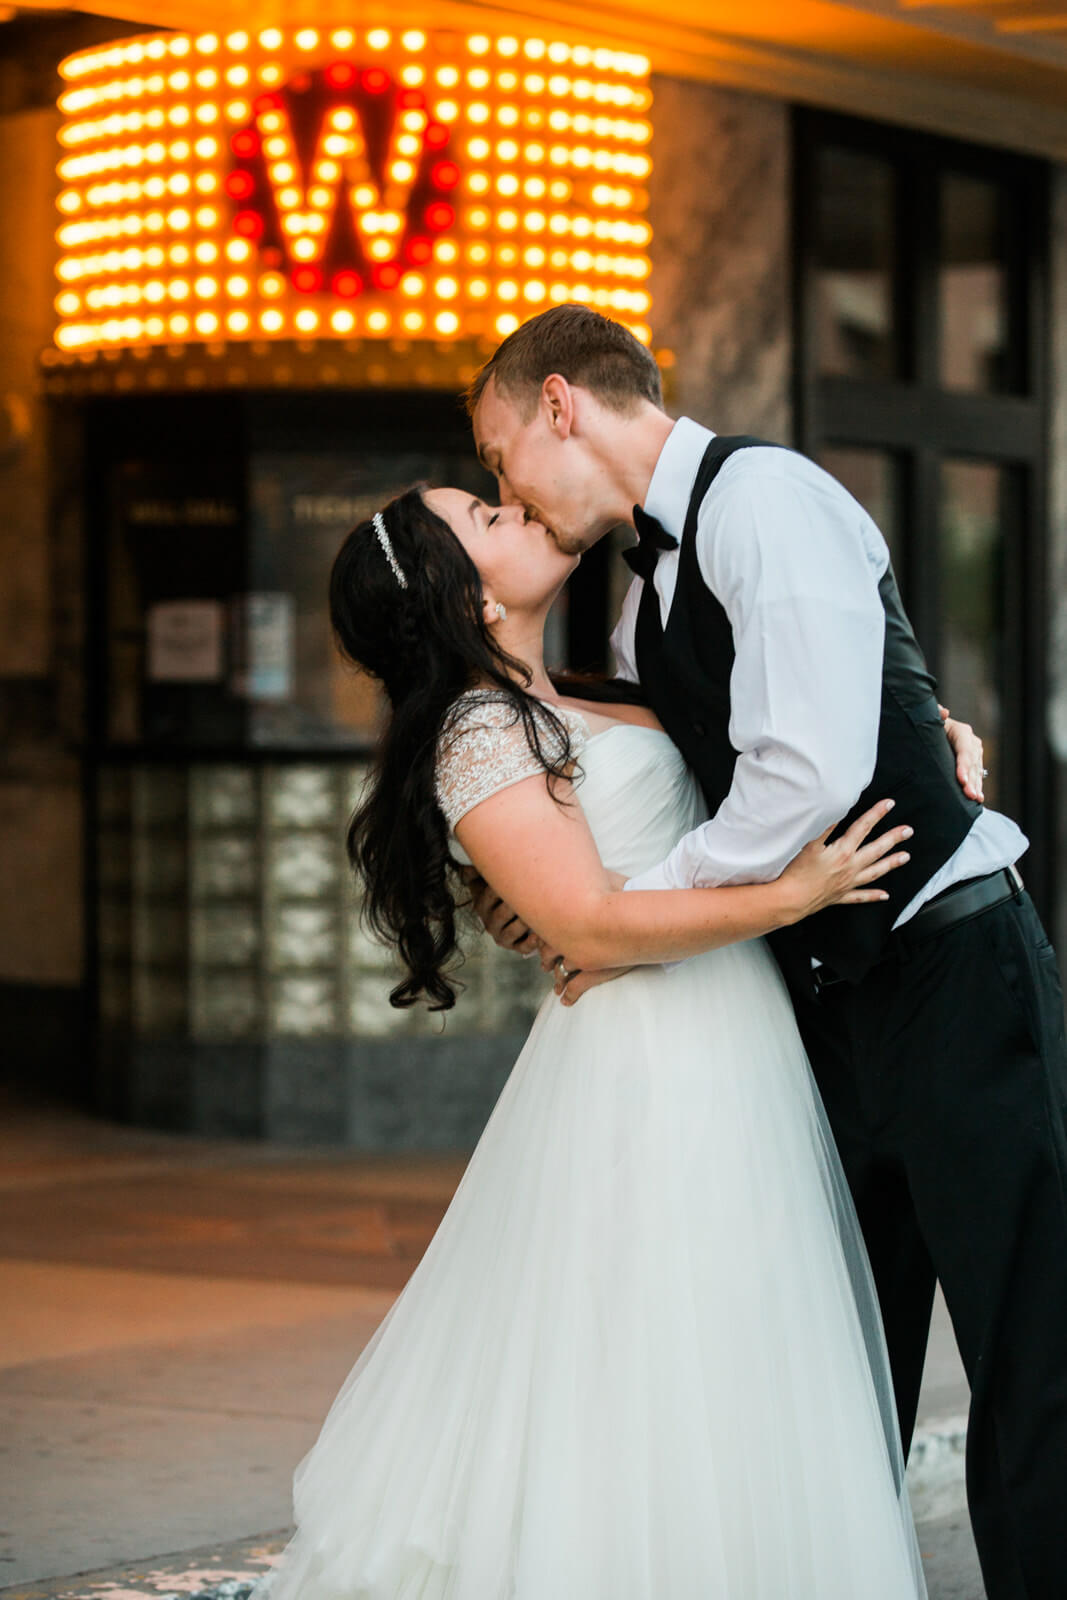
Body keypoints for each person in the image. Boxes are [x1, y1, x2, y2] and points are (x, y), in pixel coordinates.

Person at [465, 303, 1067, 1600]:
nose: (501, 485)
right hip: (824, 1006)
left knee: (1030, 1359)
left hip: (954, 974)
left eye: (500, 453)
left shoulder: (764, 498)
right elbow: (711, 772)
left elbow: (802, 770)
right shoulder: (639, 606)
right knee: (840, 1365)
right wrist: (563, 897)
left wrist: (627, 922)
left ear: (559, 404)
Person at [261, 484, 926, 1599]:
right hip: (650, 1064)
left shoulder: (567, 691)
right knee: (653, 1352)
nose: (515, 510)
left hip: (728, 1036)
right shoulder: (477, 731)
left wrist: (931, 733)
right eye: (485, 515)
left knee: (730, 1345)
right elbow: (584, 922)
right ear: (461, 593)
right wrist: (794, 892)